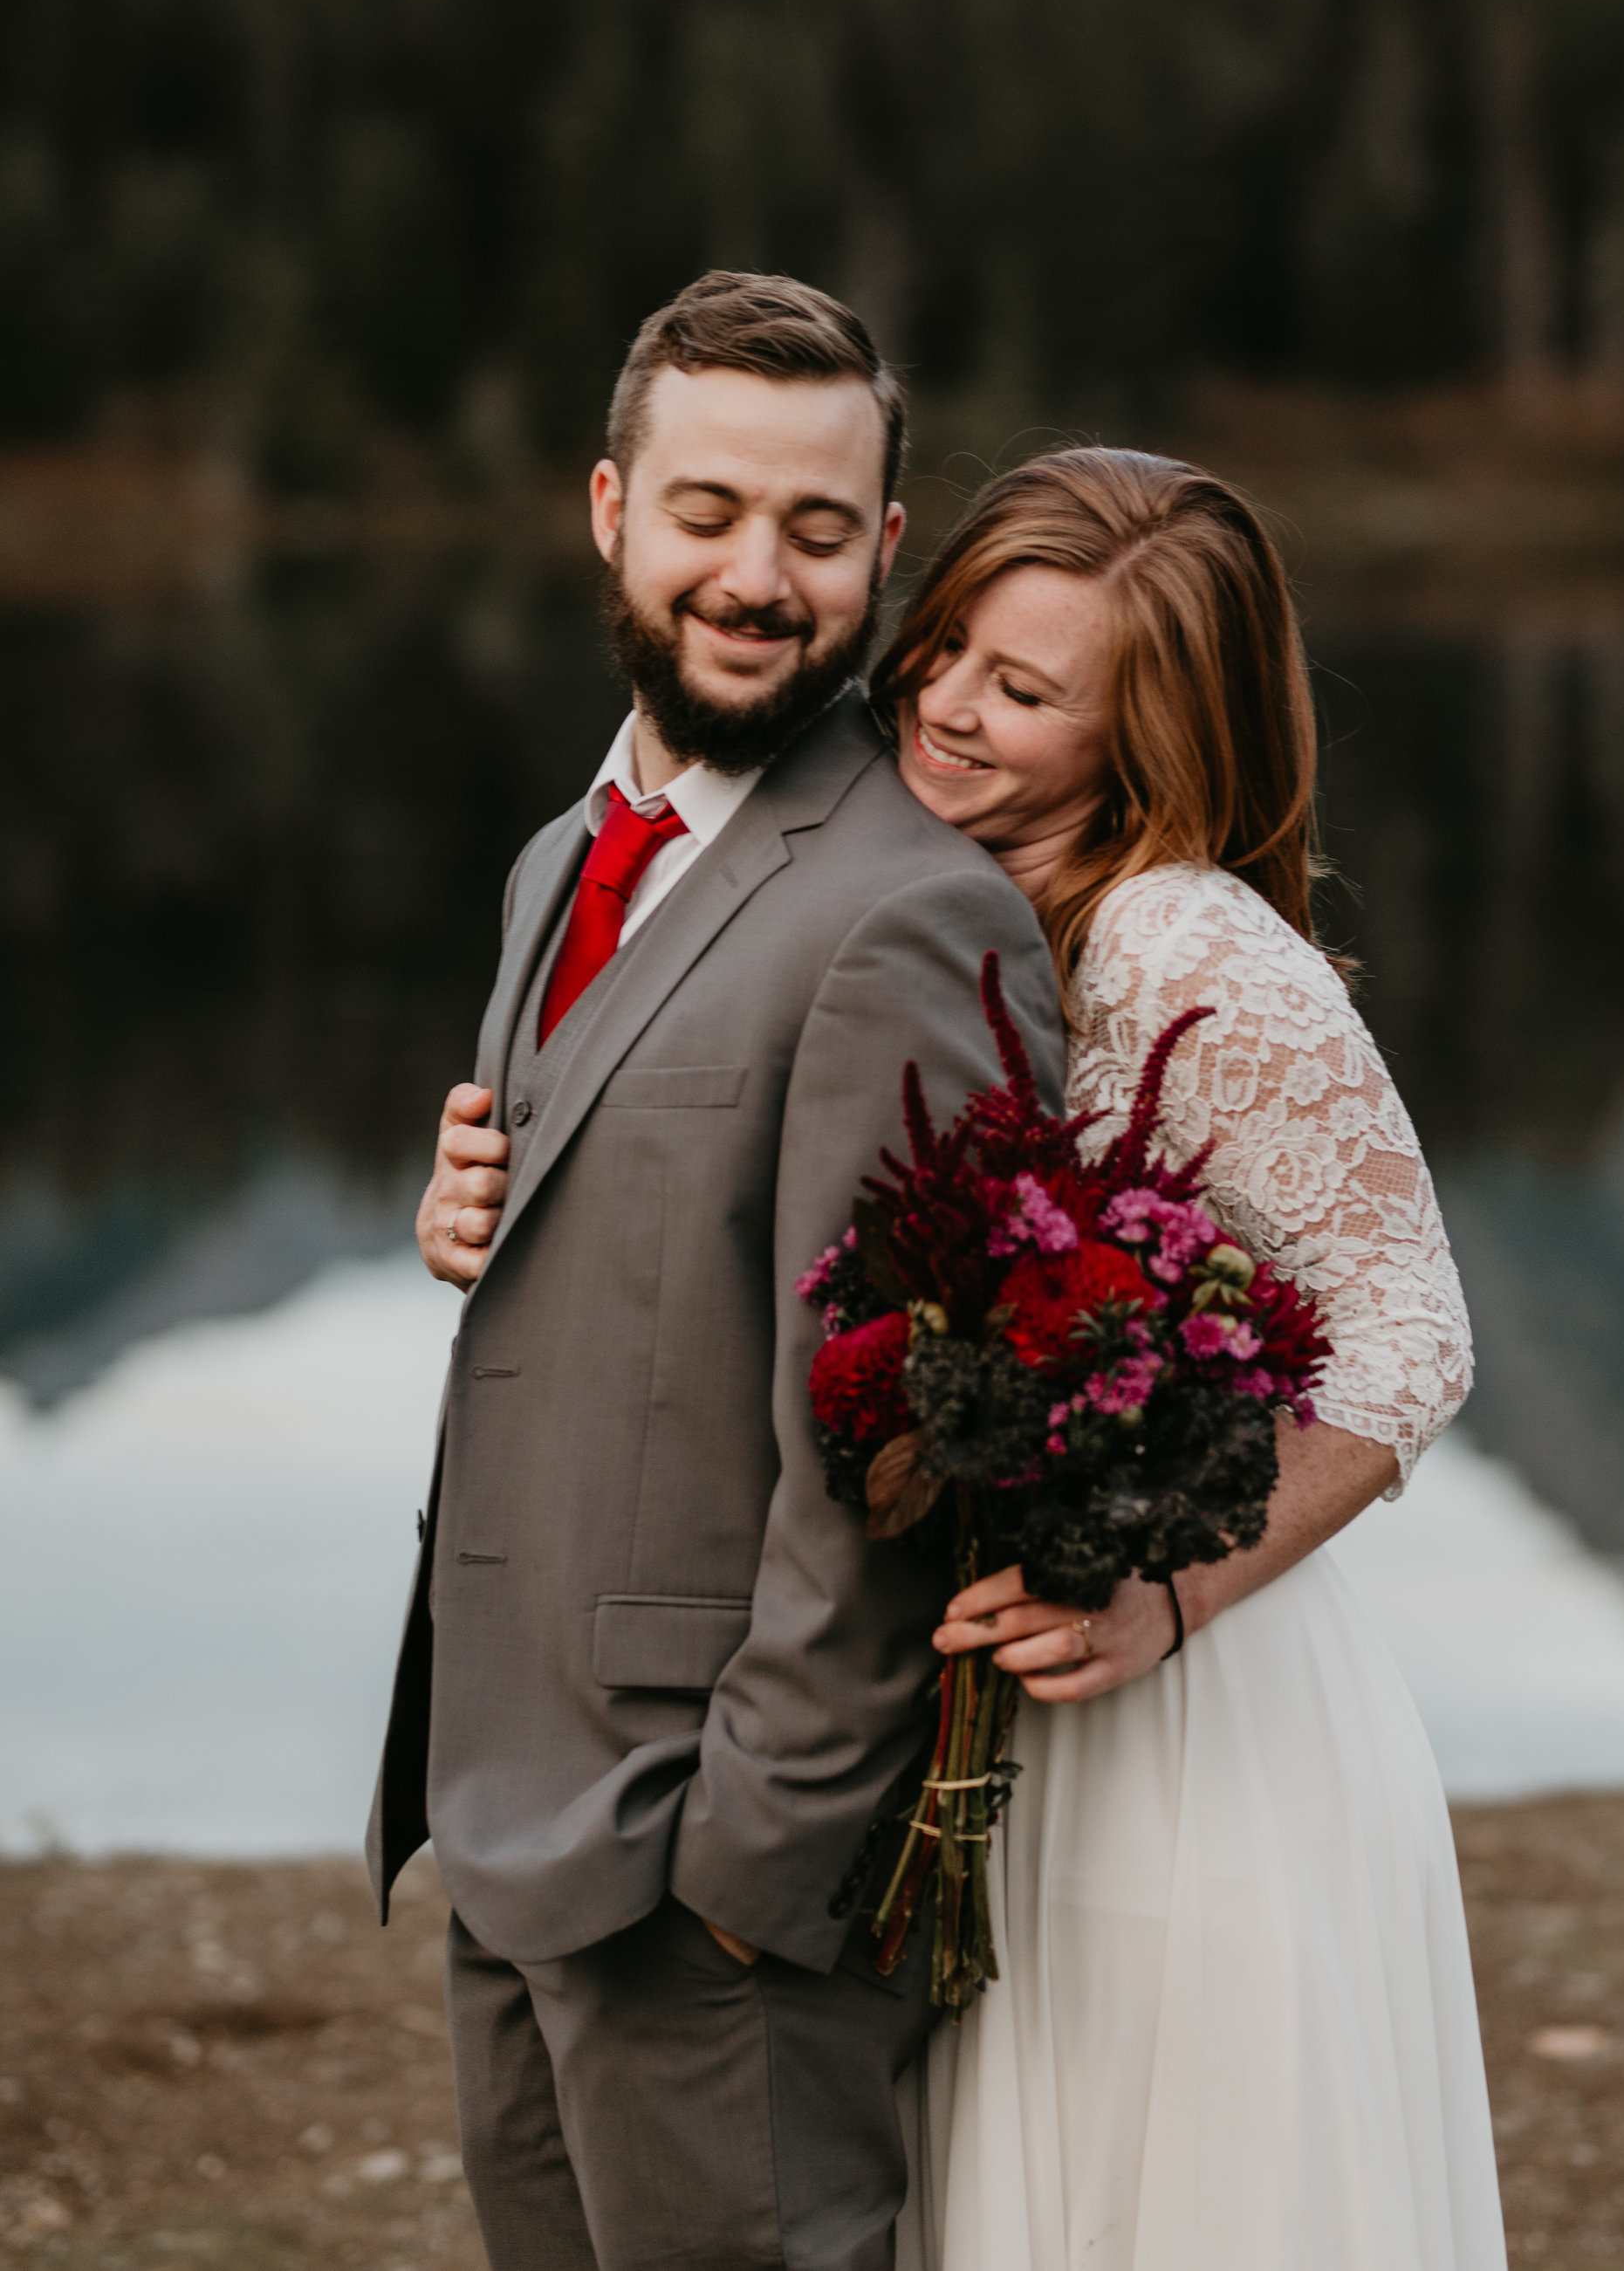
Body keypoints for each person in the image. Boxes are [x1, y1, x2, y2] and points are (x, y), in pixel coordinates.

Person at [369, 270, 1066, 2271]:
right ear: (609, 509)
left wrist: (753, 1860)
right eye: (707, 514)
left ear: (885, 550)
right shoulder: (560, 855)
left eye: (817, 529)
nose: (758, 576)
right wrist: (468, 1229)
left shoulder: (913, 917)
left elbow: (906, 1448)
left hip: (707, 1860)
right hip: (507, 1800)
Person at [877, 446, 1507, 2271]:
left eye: (1021, 690)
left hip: (1181, 1716)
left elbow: (1412, 1335)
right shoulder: (955, 894)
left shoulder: (1174, 941)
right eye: (946, 652)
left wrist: (1165, 1595)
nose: (945, 708)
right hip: (1020, 1675)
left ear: (1142, 744)